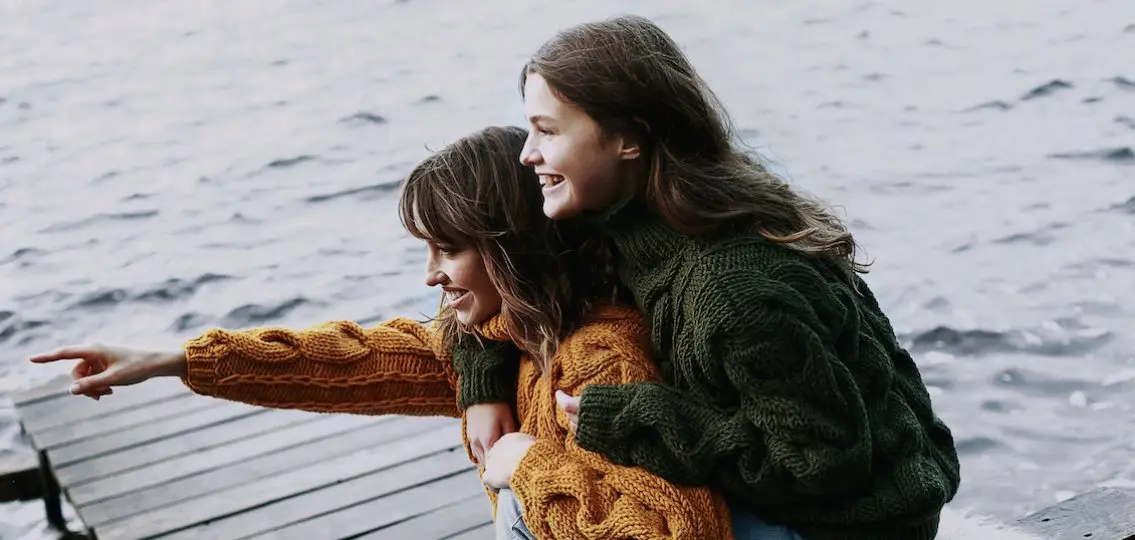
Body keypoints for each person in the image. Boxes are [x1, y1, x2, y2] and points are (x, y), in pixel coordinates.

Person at [29, 126, 733, 540]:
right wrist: (173, 360)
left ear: (508, 242)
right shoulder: (506, 338)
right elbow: (346, 361)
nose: (430, 275)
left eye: (447, 250)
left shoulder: (598, 356)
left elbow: (676, 529)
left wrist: (525, 462)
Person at [451, 15, 962, 540]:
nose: (526, 153)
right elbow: (506, 281)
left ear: (628, 139)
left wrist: (637, 420)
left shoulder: (731, 286)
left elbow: (820, 460)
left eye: (547, 130)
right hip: (798, 498)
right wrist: (482, 387)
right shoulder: (617, 218)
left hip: (857, 524)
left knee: (529, 502)